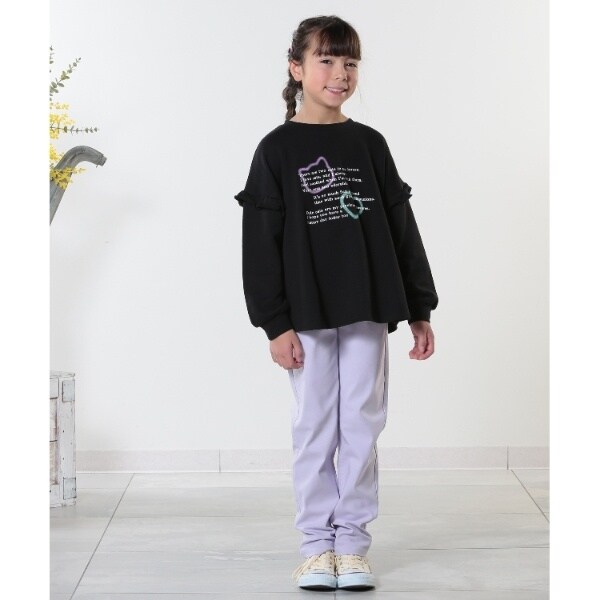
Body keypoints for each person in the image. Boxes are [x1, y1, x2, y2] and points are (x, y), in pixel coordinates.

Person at [234, 15, 438, 592]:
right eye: (326, 60)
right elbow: (260, 244)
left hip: (369, 305)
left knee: (363, 424)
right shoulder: (276, 150)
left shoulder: (369, 144)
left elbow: (401, 228)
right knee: (316, 426)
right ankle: (314, 547)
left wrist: (420, 306)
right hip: (306, 313)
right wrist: (274, 322)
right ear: (296, 68)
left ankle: (351, 544)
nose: (340, 74)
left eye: (349, 63)